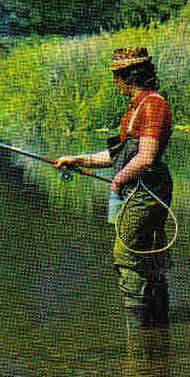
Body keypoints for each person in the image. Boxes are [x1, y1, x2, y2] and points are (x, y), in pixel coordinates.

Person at [55, 47, 173, 349]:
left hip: (146, 191)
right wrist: (78, 159)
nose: (114, 83)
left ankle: (139, 337)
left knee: (127, 255)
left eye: (116, 77)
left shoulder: (152, 106)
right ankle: (157, 332)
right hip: (138, 189)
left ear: (127, 76)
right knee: (148, 255)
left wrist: (119, 180)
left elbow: (145, 157)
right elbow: (117, 156)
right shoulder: (136, 107)